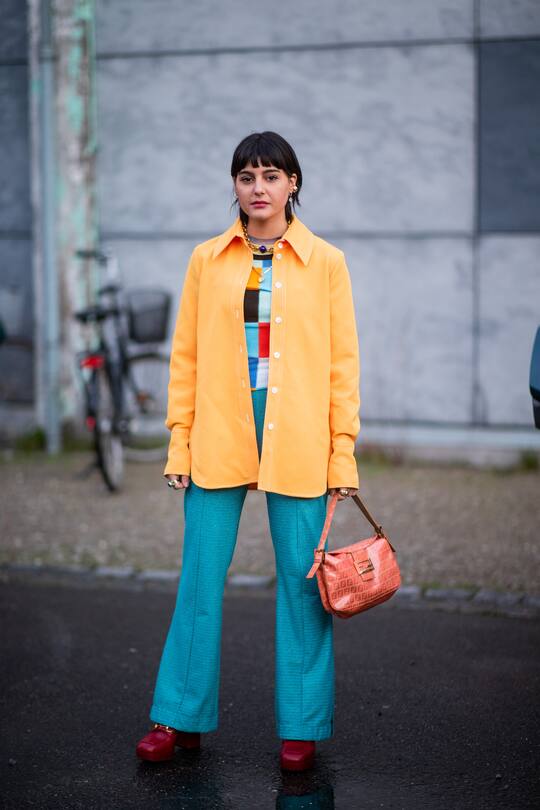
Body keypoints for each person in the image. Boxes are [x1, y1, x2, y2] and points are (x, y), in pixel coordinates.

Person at [136, 131, 360, 771]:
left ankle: (303, 723)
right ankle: (178, 717)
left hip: (299, 434)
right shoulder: (206, 259)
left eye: (270, 175)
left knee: (302, 582)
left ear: (293, 183)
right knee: (199, 578)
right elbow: (185, 358)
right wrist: (179, 443)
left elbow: (343, 367)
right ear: (234, 185)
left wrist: (342, 455)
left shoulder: (327, 262)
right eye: (246, 176)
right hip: (219, 429)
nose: (258, 188)